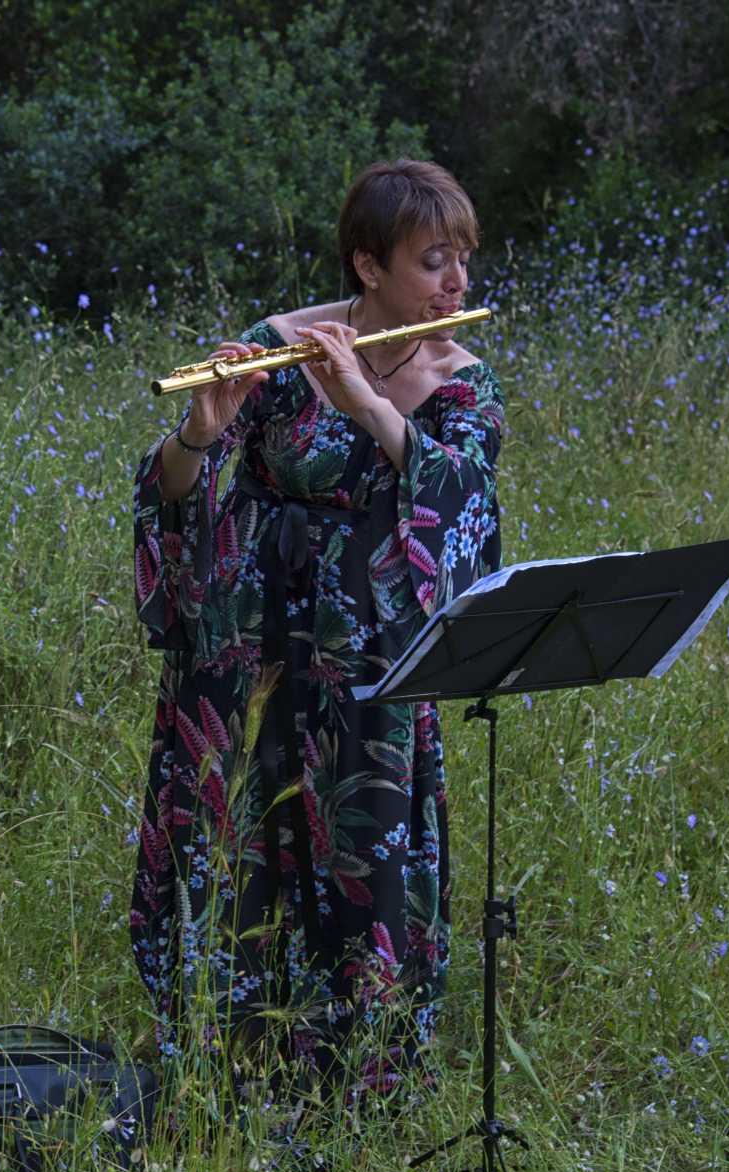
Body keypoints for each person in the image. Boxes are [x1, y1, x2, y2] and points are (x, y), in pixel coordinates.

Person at [129, 159, 504, 1098]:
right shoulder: (279, 346)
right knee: (242, 836)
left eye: (463, 259)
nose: (457, 283)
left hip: (374, 655)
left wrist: (369, 407)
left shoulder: (463, 377)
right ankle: (227, 1063)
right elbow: (177, 497)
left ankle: (359, 1077)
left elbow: (464, 510)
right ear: (366, 266)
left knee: (362, 850)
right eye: (433, 261)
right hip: (257, 646)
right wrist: (199, 433)